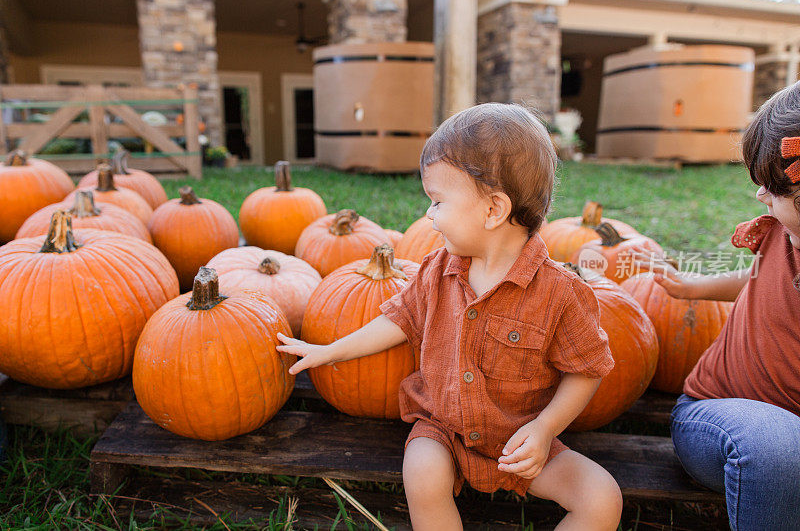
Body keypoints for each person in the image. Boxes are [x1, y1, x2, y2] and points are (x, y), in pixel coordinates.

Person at [277, 103, 622, 530]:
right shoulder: (437, 269)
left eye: (437, 201)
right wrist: (331, 351)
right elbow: (398, 320)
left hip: (522, 438)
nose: (428, 215)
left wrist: (546, 429)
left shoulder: (561, 294)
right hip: (445, 430)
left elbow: (587, 369)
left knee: (602, 497)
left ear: (493, 210)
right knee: (422, 472)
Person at [631, 82, 800, 531]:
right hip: (718, 421)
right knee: (778, 446)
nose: (760, 196)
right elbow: (765, 278)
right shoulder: (786, 233)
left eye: (771, 187)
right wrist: (694, 289)